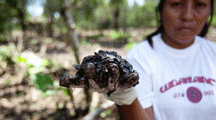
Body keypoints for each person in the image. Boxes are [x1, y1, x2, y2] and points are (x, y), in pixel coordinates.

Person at [106, 0, 216, 119]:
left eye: (199, 5)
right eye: (176, 4)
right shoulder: (140, 56)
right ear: (161, 9)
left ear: (210, 11)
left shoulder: (213, 52)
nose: (187, 16)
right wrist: (123, 95)